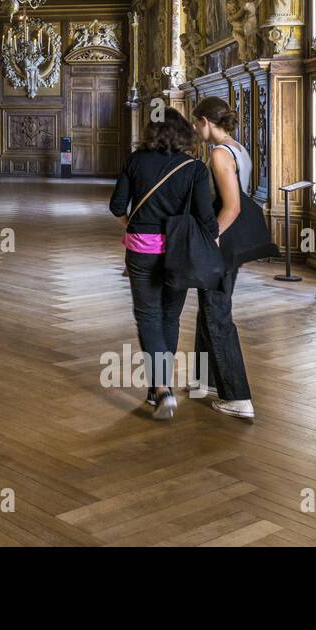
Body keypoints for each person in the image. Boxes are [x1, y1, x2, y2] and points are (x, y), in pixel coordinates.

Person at [109, 108, 218, 421]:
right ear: (184, 133)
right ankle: (161, 385)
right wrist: (211, 249)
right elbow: (205, 218)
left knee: (148, 317)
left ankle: (160, 388)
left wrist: (134, 225)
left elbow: (116, 205)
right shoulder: (194, 168)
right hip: (179, 252)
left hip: (141, 251)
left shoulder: (136, 161)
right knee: (170, 316)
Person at [191, 96, 256, 421]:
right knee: (209, 309)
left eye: (195, 123)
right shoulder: (239, 149)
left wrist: (211, 238)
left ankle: (238, 395)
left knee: (217, 314)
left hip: (221, 241)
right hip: (232, 241)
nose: (194, 129)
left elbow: (232, 206)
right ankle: (207, 381)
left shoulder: (219, 153)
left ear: (205, 121)